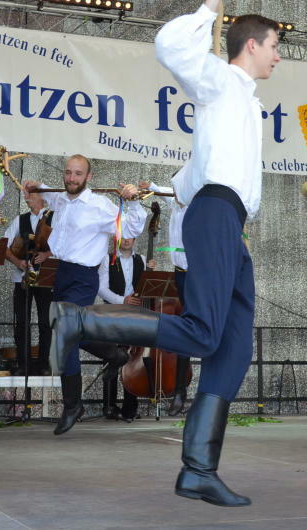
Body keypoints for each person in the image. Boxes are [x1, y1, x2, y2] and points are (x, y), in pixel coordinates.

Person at [47, 2, 281, 506]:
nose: (279, 57)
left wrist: (167, 188)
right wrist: (207, 10)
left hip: (228, 220)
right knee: (203, 330)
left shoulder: (237, 101)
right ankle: (82, 323)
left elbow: (188, 181)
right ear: (253, 45)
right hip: (217, 214)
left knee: (233, 348)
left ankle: (199, 469)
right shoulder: (221, 79)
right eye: (276, 47)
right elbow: (170, 45)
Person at [23, 154, 145, 435]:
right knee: (68, 332)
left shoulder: (100, 206)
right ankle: (113, 354)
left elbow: (130, 227)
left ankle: (72, 404)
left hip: (84, 277)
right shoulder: (61, 199)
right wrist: (36, 186)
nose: (71, 178)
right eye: (68, 173)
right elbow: (50, 198)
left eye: (77, 174)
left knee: (65, 334)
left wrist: (134, 201)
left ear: (88, 177)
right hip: (62, 273)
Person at [140, 178, 193, 416]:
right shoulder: (175, 204)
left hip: (197, 275)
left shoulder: (196, 207)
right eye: (174, 190)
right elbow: (162, 193)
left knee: (192, 330)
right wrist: (150, 185)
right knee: (184, 330)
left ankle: (181, 390)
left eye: (180, 190)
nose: (175, 194)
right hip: (180, 274)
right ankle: (180, 390)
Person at [97, 236, 151, 421]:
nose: (126, 240)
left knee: (132, 359)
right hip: (113, 314)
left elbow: (147, 288)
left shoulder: (141, 260)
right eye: (123, 237)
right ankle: (109, 406)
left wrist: (151, 272)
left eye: (130, 237)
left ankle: (130, 407)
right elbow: (101, 289)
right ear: (117, 238)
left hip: (135, 316)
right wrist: (123, 300)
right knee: (112, 357)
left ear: (135, 239)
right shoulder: (107, 259)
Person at [4, 189, 53, 376]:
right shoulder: (20, 219)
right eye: (26, 195)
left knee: (45, 323)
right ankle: (23, 364)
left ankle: (44, 364)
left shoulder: (54, 218)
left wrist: (47, 255)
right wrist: (18, 262)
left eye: (31, 194)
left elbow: (64, 245)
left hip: (46, 279)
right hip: (21, 277)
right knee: (22, 322)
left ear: (43, 198)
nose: (27, 197)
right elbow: (4, 245)